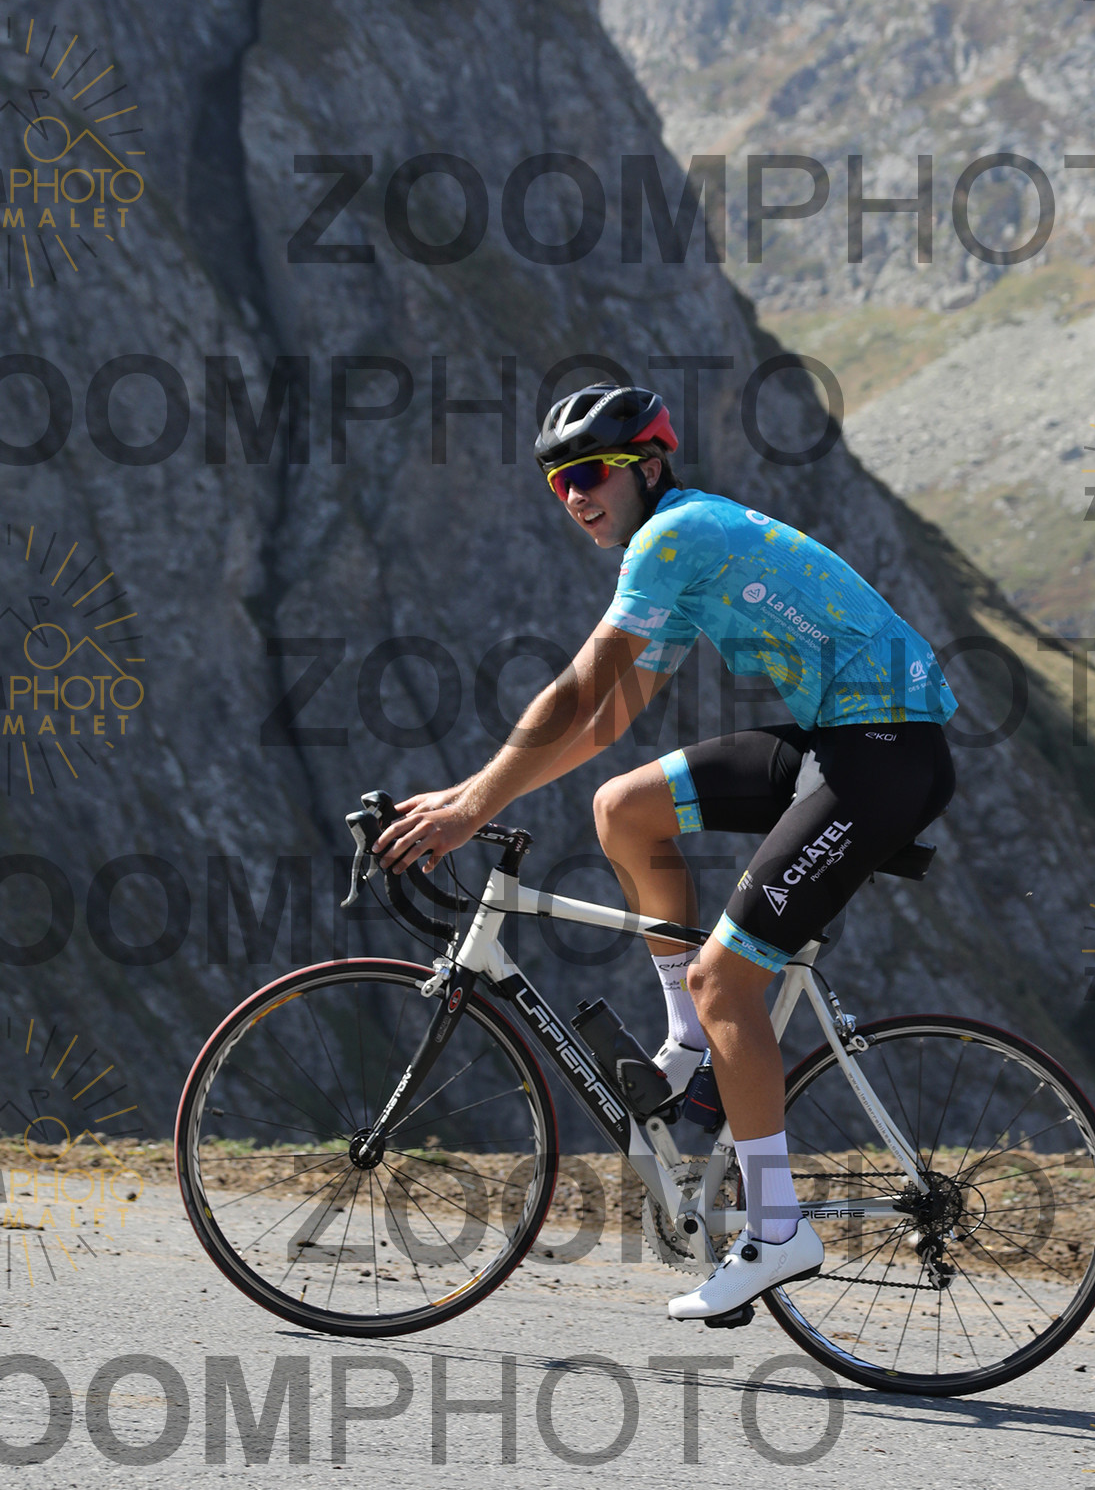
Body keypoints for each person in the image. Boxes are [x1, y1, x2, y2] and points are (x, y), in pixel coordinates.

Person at [373, 385, 957, 1321]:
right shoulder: (675, 552)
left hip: (884, 753)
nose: (575, 495)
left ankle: (778, 1228)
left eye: (591, 473)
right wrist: (466, 798)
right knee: (624, 808)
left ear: (648, 467)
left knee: (730, 979)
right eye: (559, 482)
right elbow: (608, 721)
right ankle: (689, 1044)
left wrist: (473, 805)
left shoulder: (674, 538)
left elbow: (579, 689)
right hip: (844, 739)